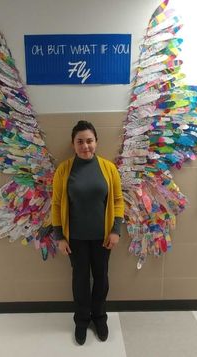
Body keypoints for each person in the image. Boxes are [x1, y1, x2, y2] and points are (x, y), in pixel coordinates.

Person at [51, 120, 124, 345]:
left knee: (101, 278)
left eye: (89, 141)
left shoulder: (108, 168)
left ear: (96, 142)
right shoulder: (64, 169)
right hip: (75, 239)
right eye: (80, 141)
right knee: (80, 280)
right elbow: (55, 205)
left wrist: (116, 230)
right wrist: (59, 236)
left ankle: (99, 317)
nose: (85, 146)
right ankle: (82, 321)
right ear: (73, 144)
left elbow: (118, 201)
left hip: (103, 238)